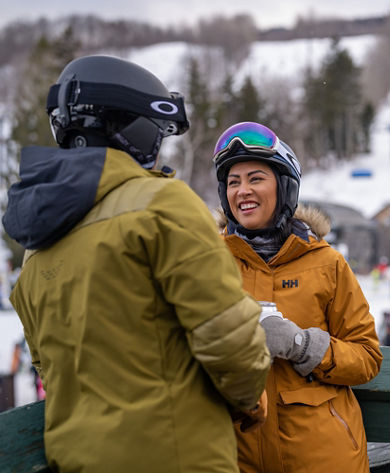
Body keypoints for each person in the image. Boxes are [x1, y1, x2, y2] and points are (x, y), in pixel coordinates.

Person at [2, 57, 271, 473]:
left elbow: (48, 367)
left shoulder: (38, 244)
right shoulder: (162, 204)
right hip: (175, 456)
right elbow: (227, 336)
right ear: (135, 130)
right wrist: (249, 397)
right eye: (158, 134)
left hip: (77, 459)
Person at [212, 121, 383, 473]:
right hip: (235, 456)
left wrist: (303, 345)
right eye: (233, 182)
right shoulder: (207, 264)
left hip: (321, 457)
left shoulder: (326, 263)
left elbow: (367, 357)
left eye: (256, 178)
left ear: (284, 185)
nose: (242, 191)